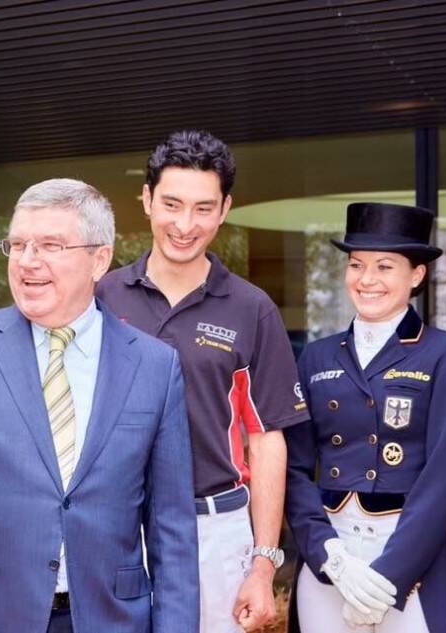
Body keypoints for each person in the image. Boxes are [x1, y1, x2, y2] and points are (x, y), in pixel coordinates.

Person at [0, 178, 199, 633]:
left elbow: (171, 529)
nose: (27, 261)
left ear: (99, 259)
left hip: (108, 619)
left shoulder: (155, 366)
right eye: (18, 245)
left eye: (50, 245)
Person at [96, 130, 309, 633]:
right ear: (146, 200)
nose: (185, 225)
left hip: (216, 532)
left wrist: (263, 563)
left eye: (203, 208)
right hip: (116, 525)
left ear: (225, 208)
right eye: (171, 204)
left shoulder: (252, 309)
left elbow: (267, 439)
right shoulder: (100, 298)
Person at [284, 202, 446, 633]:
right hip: (333, 557)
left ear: (416, 276)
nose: (367, 280)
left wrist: (390, 576)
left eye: (384, 266)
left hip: (412, 561)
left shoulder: (445, 353)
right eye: (356, 265)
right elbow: (293, 467)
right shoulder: (318, 356)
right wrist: (329, 556)